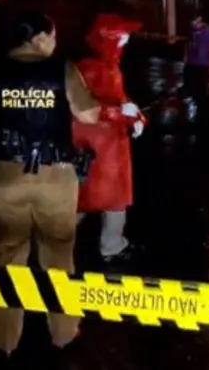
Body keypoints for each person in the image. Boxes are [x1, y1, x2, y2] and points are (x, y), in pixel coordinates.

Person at [0, 12, 101, 367]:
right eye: (51, 35)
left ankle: (4, 340)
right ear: (38, 38)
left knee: (7, 256)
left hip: (4, 175)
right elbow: (89, 116)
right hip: (55, 177)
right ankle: (64, 334)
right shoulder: (61, 70)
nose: (54, 42)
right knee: (57, 255)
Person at [72, 14, 145, 267]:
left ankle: (112, 243)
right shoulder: (88, 67)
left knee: (112, 199)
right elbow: (84, 107)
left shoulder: (110, 66)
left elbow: (121, 98)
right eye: (120, 37)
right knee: (89, 197)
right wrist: (118, 112)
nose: (125, 42)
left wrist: (136, 118)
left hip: (113, 145)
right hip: (96, 145)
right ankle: (59, 240)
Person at [182, 13, 209, 129]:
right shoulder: (191, 30)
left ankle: (202, 114)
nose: (193, 24)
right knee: (189, 87)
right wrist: (186, 57)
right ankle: (191, 110)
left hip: (203, 64)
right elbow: (188, 44)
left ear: (200, 20)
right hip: (191, 63)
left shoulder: (208, 31)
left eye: (195, 22)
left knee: (200, 90)